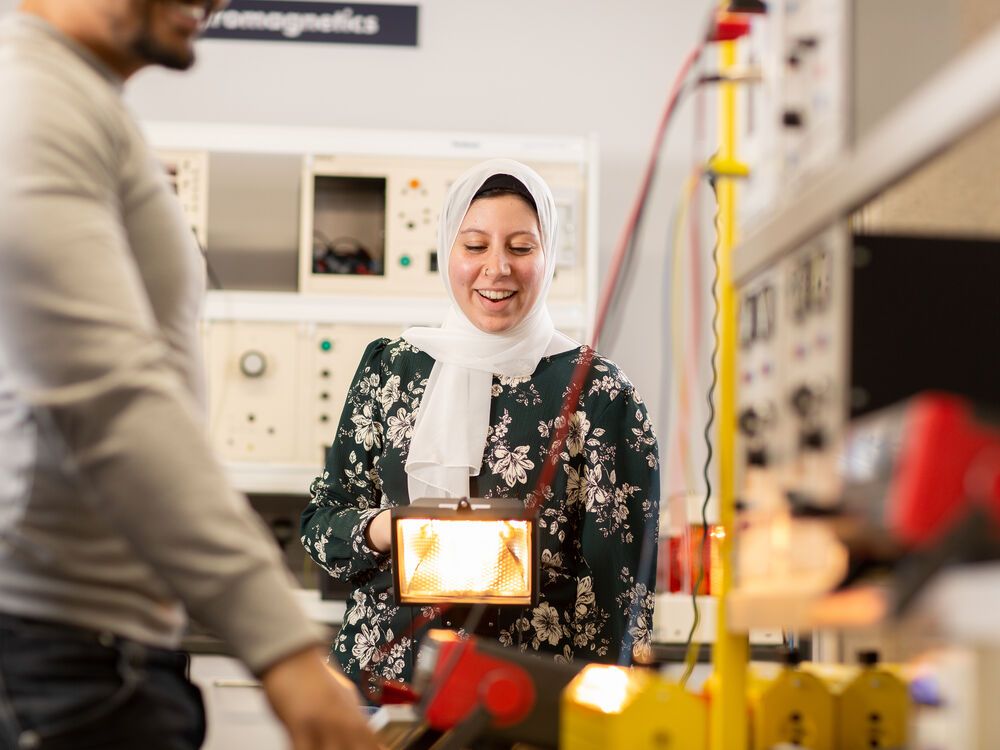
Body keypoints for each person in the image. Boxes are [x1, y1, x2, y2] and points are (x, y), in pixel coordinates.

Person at [0, 2, 380, 749]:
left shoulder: (78, 101)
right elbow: (111, 399)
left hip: (99, 646)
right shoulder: (33, 98)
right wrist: (289, 653)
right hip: (58, 654)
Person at [301, 159, 660, 694]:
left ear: (549, 256)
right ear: (449, 250)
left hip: (522, 696)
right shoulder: (391, 368)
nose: (497, 268)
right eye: (474, 246)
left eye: (520, 248)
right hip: (381, 683)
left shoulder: (598, 392)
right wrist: (393, 529)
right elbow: (321, 523)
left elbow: (620, 594)